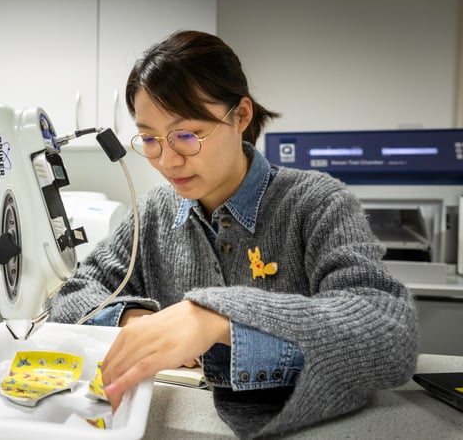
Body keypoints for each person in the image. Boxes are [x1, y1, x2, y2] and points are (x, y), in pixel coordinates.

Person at [51, 30, 418, 438]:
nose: (168, 160)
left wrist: (217, 319)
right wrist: (135, 320)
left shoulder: (316, 202)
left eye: (186, 135)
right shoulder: (154, 212)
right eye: (151, 140)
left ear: (240, 116)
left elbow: (391, 336)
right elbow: (69, 299)